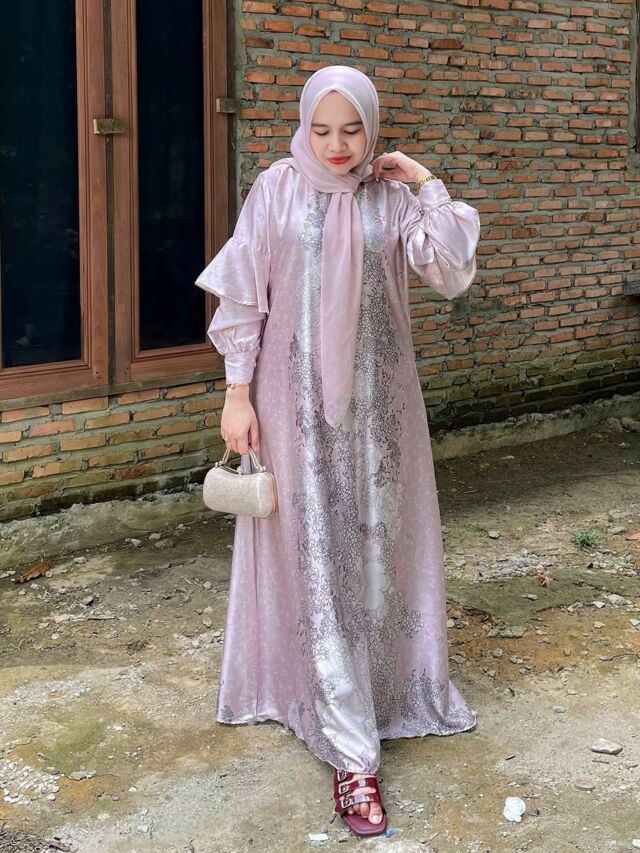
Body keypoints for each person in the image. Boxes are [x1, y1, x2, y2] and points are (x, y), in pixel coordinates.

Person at [195, 64, 480, 838]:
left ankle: (382, 688)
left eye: (352, 129)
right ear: (303, 127)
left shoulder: (391, 197)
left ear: (371, 128)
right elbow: (245, 292)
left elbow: (450, 271)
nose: (336, 145)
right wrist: (236, 393)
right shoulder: (276, 189)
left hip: (382, 410)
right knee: (318, 555)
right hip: (291, 408)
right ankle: (353, 754)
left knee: (380, 549)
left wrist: (426, 183)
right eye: (321, 130)